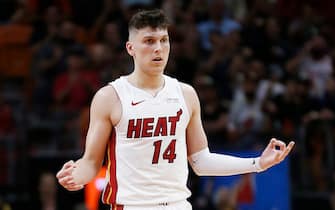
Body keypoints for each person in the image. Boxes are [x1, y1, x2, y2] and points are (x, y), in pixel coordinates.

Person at [56, 9, 295, 210]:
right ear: (131, 48)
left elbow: (201, 162)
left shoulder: (186, 94)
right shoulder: (110, 97)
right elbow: (90, 163)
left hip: (178, 204)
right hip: (132, 205)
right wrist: (75, 176)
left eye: (164, 40)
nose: (158, 48)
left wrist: (258, 164)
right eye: (149, 41)